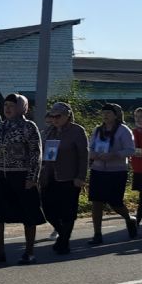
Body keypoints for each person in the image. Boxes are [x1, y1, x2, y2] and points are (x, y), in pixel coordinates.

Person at [0, 93, 45, 264]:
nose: (8, 108)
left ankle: (29, 252)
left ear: (21, 107)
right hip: (2, 175)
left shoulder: (28, 126)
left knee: (28, 215)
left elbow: (36, 153)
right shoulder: (2, 127)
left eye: (12, 105)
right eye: (5, 105)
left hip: (22, 175)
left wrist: (33, 177)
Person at [39, 102, 89, 255]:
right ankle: (62, 233)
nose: (54, 119)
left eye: (58, 116)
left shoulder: (77, 131)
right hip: (50, 177)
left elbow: (83, 155)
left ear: (67, 116)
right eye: (52, 116)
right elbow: (41, 153)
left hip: (69, 177)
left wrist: (80, 176)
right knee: (48, 210)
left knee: (68, 211)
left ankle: (64, 241)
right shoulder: (48, 132)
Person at [87, 103, 139, 244]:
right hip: (98, 170)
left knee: (115, 203)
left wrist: (114, 155)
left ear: (116, 115)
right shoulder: (98, 130)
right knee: (96, 202)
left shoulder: (123, 130)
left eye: (108, 113)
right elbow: (90, 147)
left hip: (117, 171)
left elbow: (131, 150)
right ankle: (97, 234)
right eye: (103, 113)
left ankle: (129, 219)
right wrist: (92, 154)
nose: (105, 115)